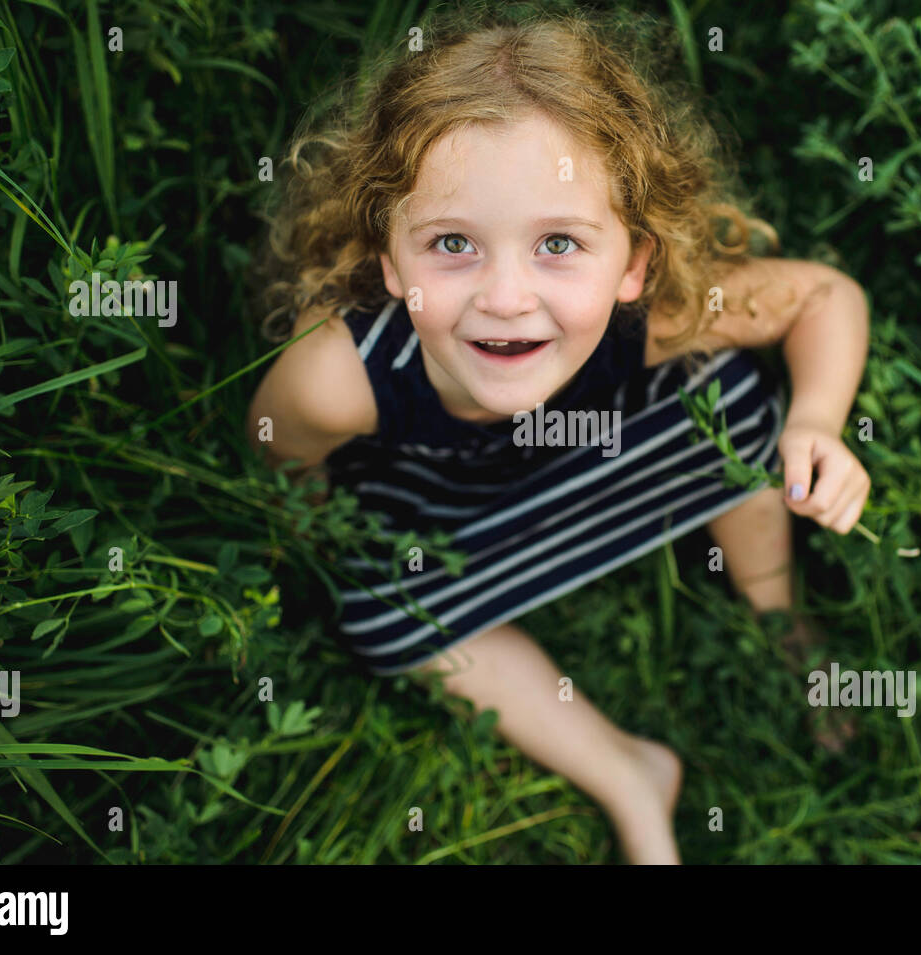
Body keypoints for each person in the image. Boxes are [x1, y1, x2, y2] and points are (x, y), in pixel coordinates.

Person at [249, 5, 870, 864]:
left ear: (634, 264)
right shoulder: (341, 376)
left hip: (601, 450)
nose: (506, 296)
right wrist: (321, 537)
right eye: (453, 243)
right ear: (390, 257)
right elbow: (282, 450)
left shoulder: (651, 318)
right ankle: (629, 775)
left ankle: (778, 616)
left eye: (559, 244)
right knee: (380, 613)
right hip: (442, 497)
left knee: (731, 400)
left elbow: (821, 297)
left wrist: (818, 424)